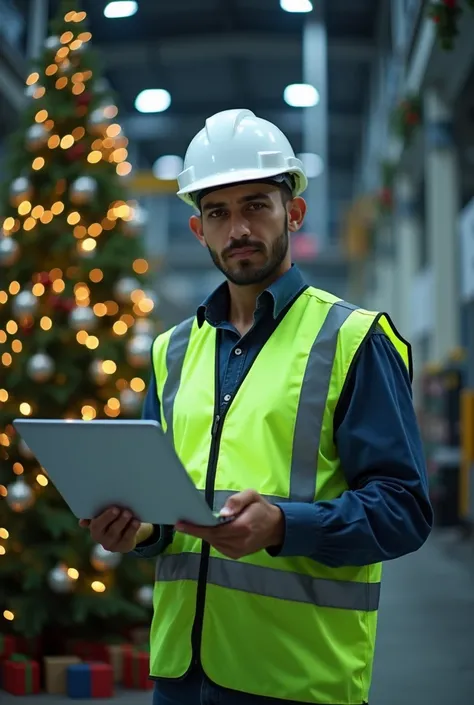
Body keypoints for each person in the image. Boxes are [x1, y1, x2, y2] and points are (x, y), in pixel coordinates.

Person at [80, 109, 433, 705]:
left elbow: (403, 510)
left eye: (255, 206)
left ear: (292, 213)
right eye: (218, 212)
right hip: (180, 674)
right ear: (199, 230)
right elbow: (165, 507)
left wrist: (284, 525)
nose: (237, 227)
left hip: (296, 676)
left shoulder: (352, 338)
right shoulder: (172, 352)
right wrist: (138, 530)